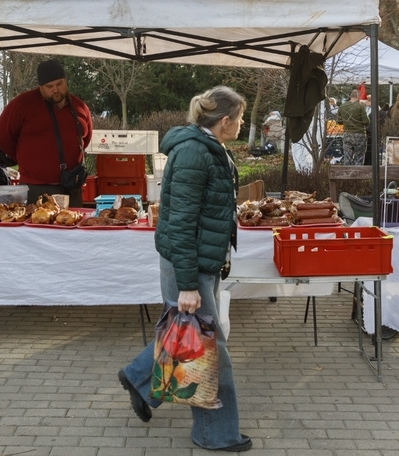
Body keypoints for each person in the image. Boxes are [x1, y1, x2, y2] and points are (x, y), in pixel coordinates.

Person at [117, 85, 251, 453]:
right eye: (240, 118)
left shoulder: (209, 147)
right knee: (208, 347)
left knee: (187, 333)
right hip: (187, 265)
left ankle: (138, 377)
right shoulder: (195, 152)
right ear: (225, 121)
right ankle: (215, 434)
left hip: (196, 261)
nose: (242, 124)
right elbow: (180, 223)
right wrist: (188, 284)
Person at [0, 59, 92, 206]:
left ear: (65, 81)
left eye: (59, 84)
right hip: (36, 187)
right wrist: (25, 159)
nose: (55, 90)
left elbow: (85, 138)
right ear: (40, 87)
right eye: (49, 86)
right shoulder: (22, 104)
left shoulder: (80, 107)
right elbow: (2, 137)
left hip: (71, 185)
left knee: (74, 220)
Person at [336, 89, 370, 165]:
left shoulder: (342, 106)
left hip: (347, 134)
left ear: (350, 96)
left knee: (347, 157)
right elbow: (366, 121)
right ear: (358, 96)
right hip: (359, 134)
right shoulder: (360, 106)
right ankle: (357, 171)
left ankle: (347, 171)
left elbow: (339, 121)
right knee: (359, 157)